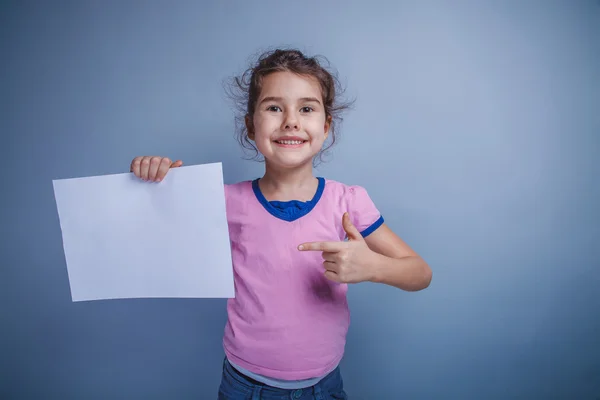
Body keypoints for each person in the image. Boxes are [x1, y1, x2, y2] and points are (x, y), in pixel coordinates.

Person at [129, 48, 432, 399]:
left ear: (326, 126)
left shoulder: (348, 201)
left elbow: (420, 273)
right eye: (274, 107)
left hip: (324, 385)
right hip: (244, 385)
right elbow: (150, 226)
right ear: (250, 125)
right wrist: (153, 176)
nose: (291, 121)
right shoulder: (222, 201)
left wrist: (373, 266)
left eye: (306, 108)